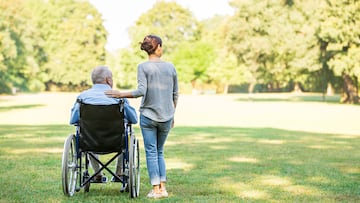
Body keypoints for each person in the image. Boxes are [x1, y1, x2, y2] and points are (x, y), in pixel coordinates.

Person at [105, 34, 178, 199]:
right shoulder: (171, 67)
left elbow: (140, 92)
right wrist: (172, 114)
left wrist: (120, 94)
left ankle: (156, 190)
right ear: (157, 47)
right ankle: (163, 188)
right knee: (159, 151)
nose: (162, 49)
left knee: (152, 152)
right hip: (167, 116)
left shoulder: (143, 67)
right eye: (161, 46)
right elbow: (175, 94)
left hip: (148, 116)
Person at [70, 66, 138, 183]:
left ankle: (97, 175)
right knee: (124, 136)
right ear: (108, 80)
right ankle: (119, 173)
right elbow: (134, 119)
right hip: (115, 142)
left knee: (87, 135)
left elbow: (73, 120)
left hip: (90, 142)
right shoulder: (119, 98)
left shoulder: (83, 97)